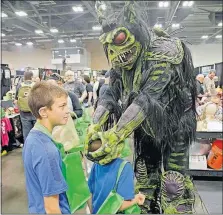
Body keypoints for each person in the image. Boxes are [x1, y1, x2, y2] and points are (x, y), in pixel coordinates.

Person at [22, 81, 71, 214]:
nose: (67, 110)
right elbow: (51, 208)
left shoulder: (32, 138)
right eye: (62, 106)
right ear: (44, 111)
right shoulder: (47, 150)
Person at [87, 140, 145, 214]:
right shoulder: (124, 167)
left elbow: (89, 193)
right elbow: (119, 206)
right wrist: (137, 199)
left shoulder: (97, 164)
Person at [14, 71, 36, 143]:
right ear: (32, 77)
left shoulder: (20, 85)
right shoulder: (35, 85)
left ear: (24, 77)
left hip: (23, 113)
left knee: (26, 133)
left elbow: (16, 100)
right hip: (34, 112)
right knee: (36, 132)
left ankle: (27, 150)